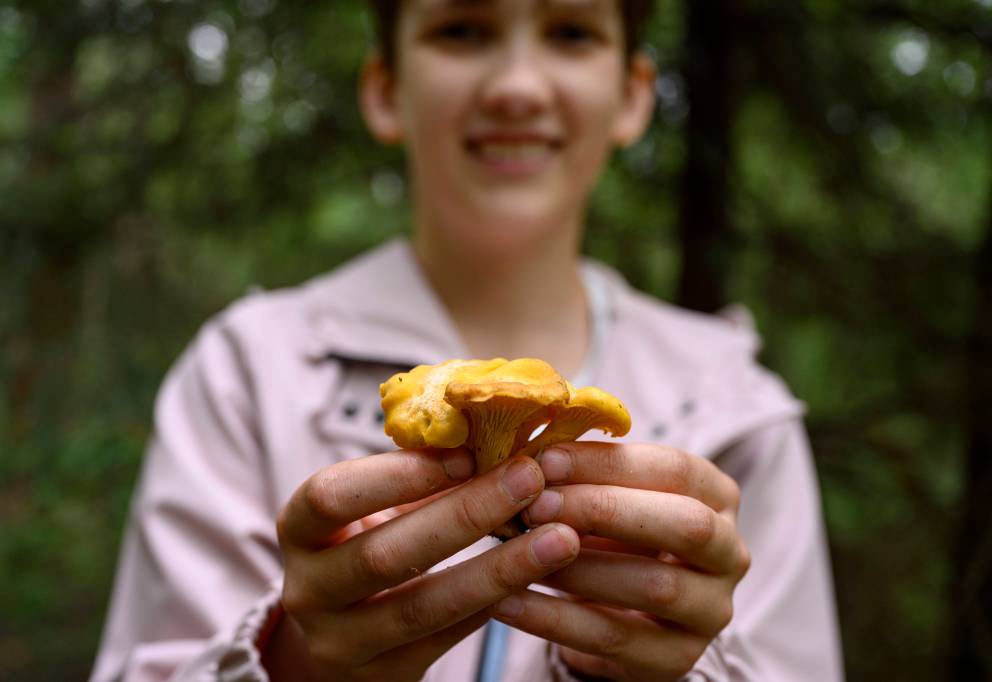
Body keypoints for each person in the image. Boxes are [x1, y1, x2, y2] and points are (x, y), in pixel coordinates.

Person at [91, 0, 843, 680]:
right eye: (461, 30)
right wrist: (290, 663)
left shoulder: (736, 410)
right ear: (386, 90)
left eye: (572, 32)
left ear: (632, 94)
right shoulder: (249, 372)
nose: (517, 84)